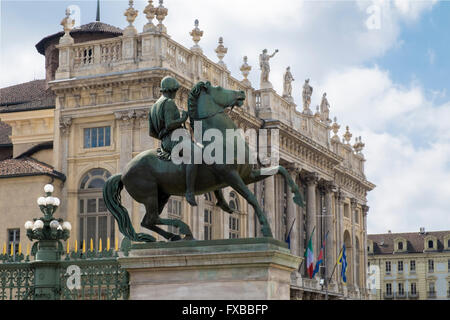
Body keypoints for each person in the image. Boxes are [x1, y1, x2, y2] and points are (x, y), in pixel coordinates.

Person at [148, 76, 198, 206]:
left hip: (165, 142)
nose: (176, 93)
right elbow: (170, 124)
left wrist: (163, 135)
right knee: (195, 155)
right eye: (175, 90)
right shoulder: (168, 102)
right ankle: (190, 191)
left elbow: (151, 132)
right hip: (174, 139)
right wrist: (183, 119)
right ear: (171, 90)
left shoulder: (154, 106)